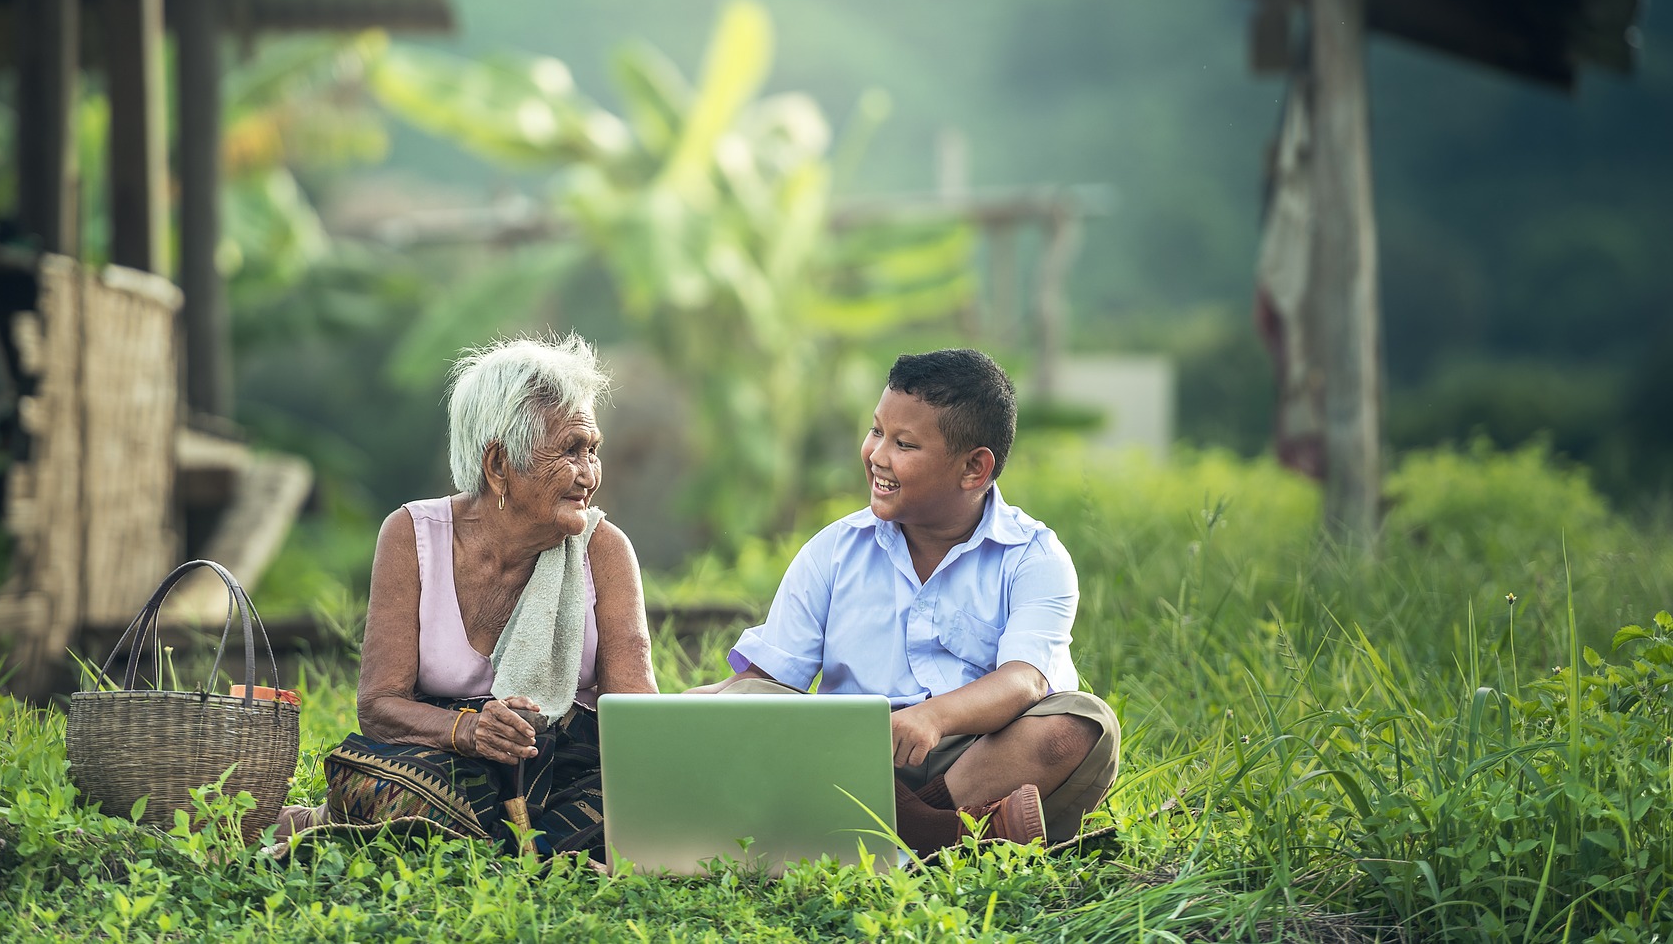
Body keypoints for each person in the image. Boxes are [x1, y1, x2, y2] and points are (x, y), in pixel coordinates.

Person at [690, 348, 1119, 850]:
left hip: (975, 759)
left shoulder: (1033, 556)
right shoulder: (833, 550)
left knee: (1082, 726)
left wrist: (933, 718)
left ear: (974, 468)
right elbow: (769, 680)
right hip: (846, 756)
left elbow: (1025, 680)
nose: (877, 456)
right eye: (876, 432)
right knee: (744, 703)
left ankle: (874, 833)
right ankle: (944, 836)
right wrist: (698, 707)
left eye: (904, 444)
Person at [281, 334, 657, 856]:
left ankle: (487, 845)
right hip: (449, 762)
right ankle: (532, 851)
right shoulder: (411, 535)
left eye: (592, 451)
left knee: (632, 803)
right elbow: (379, 706)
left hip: (568, 769)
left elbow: (638, 725)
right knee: (403, 788)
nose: (589, 475)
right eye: (571, 451)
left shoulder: (605, 551)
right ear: (499, 465)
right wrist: (470, 729)